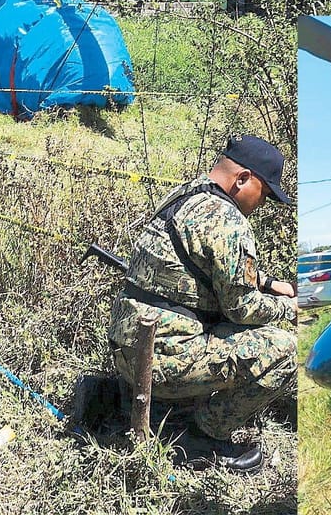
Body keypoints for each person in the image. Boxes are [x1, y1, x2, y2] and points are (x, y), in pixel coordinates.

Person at [107, 135, 298, 473]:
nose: (262, 204)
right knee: (284, 349)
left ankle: (166, 407)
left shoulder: (185, 194)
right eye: (264, 194)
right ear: (243, 179)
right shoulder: (228, 219)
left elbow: (210, 264)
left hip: (128, 350)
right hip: (160, 361)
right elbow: (243, 308)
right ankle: (201, 437)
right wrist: (288, 308)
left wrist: (270, 284)